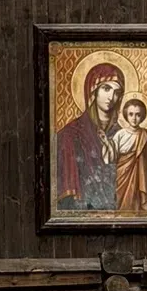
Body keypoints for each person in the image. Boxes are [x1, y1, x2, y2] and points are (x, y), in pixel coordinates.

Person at [54, 63, 123, 210]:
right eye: (106, 88)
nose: (111, 97)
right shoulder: (70, 135)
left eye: (117, 92)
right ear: (92, 90)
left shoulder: (123, 134)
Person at [113, 96, 147, 214]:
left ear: (143, 116)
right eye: (131, 114)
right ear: (126, 115)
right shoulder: (120, 134)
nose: (134, 118)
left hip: (141, 178)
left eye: (138, 115)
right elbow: (112, 157)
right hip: (121, 177)